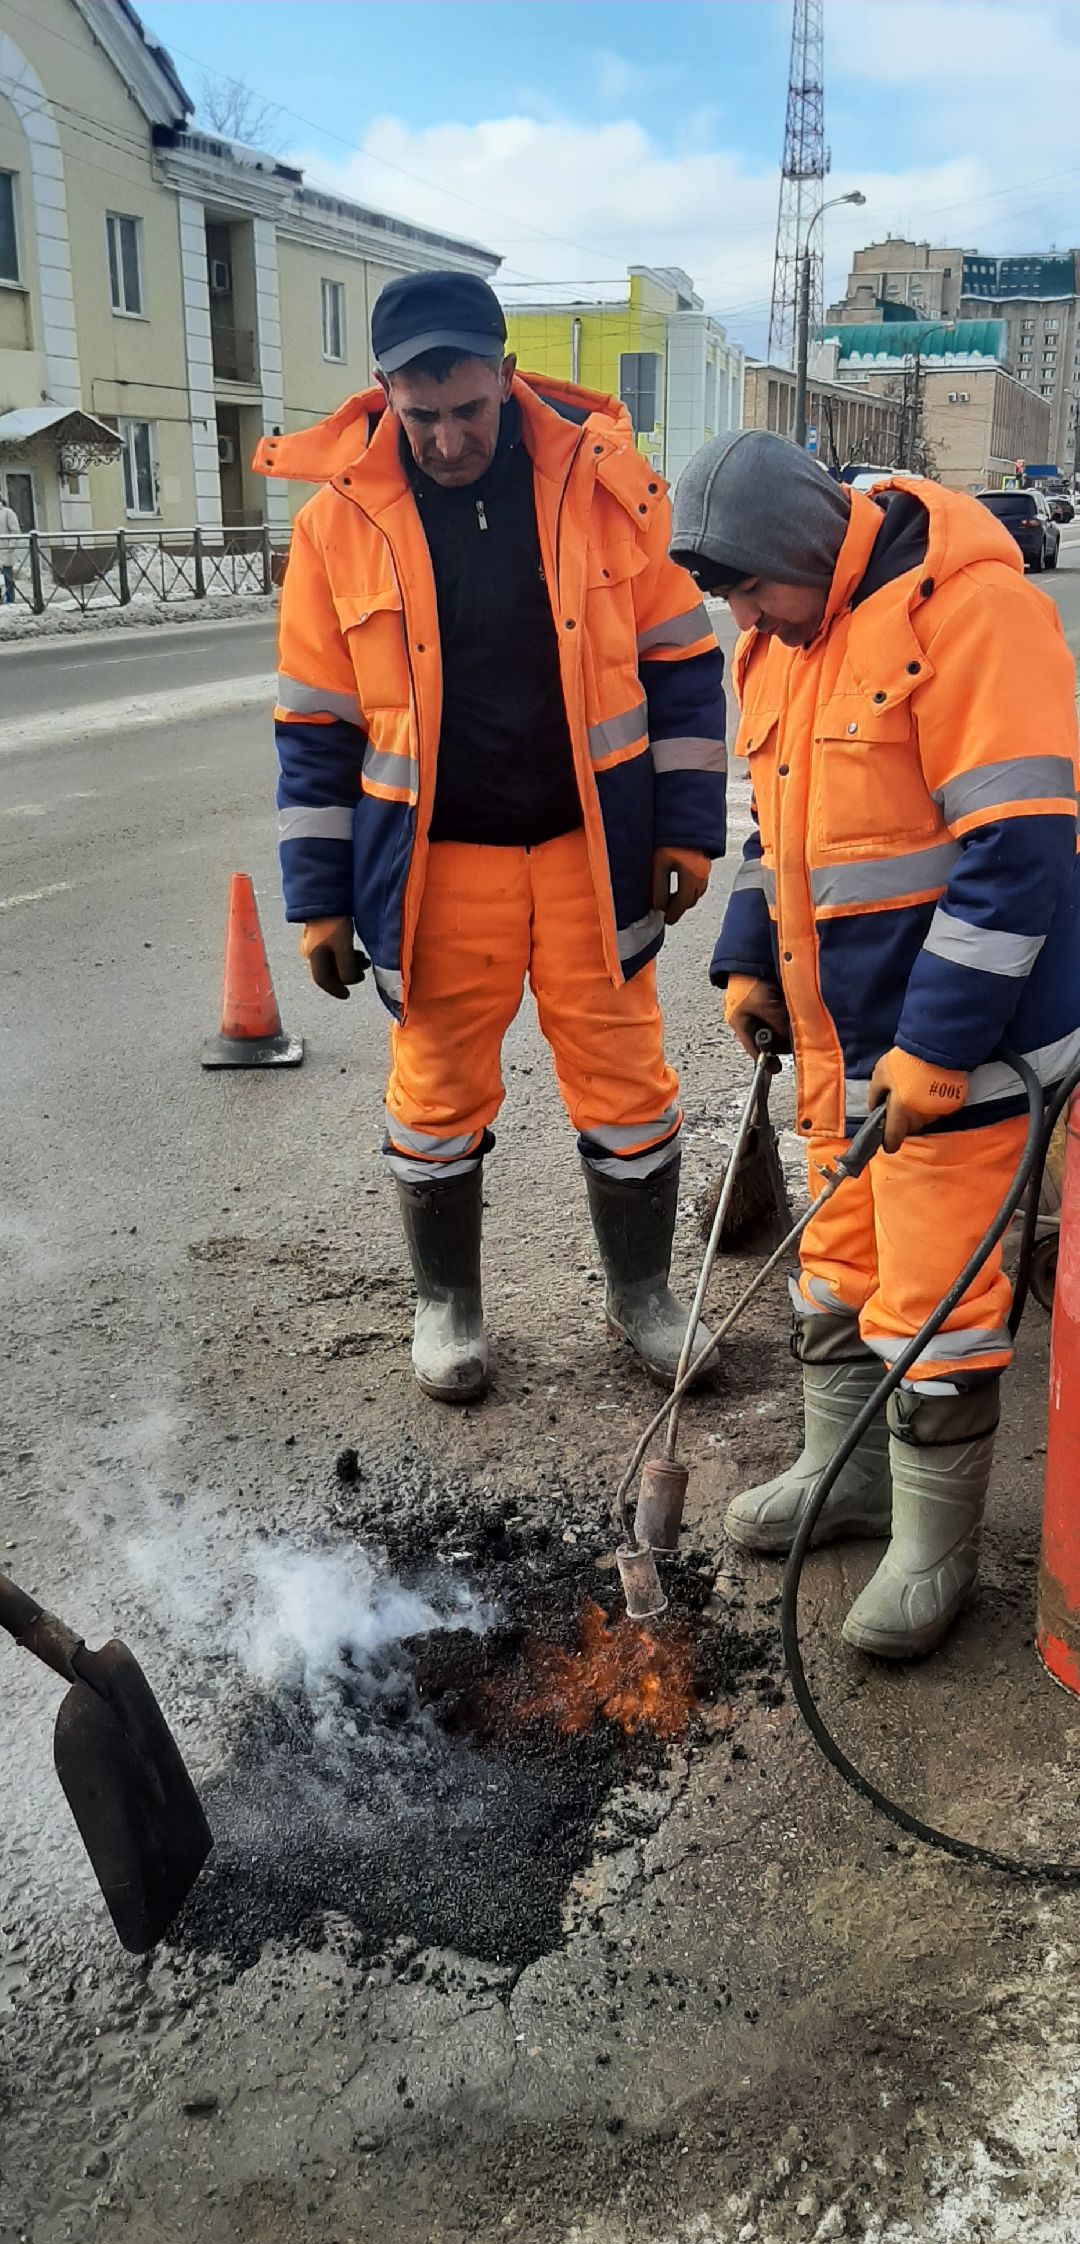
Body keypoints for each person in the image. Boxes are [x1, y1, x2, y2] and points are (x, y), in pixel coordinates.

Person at [254, 271, 727, 1403]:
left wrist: (688, 827)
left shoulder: (601, 486)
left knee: (626, 1083)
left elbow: (683, 664)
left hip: (584, 853)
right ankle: (448, 1305)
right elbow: (313, 728)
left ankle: (642, 1298)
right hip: (437, 870)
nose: (450, 438)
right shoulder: (336, 525)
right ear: (384, 396)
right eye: (422, 417)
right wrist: (318, 899)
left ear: (505, 376)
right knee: (433, 1095)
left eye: (468, 408)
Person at [669, 429, 1080, 1661]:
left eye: (748, 583)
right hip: (844, 1043)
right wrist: (749, 957)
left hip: (969, 1054)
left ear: (808, 547)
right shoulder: (785, 641)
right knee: (837, 1261)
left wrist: (940, 1048)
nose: (739, 612)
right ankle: (844, 1475)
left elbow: (1018, 859)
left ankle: (932, 1547)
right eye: (723, 590)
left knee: (938, 1296)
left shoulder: (974, 617)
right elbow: (775, 831)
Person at [0, 491, 19, 604]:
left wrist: (11, 545)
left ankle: (10, 600)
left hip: (5, 550)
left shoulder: (7, 512)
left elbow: (15, 531)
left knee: (8, 577)